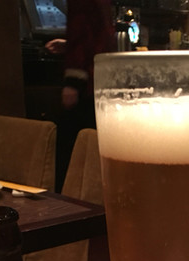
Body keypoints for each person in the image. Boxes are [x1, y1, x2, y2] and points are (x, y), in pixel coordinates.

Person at [46, 0, 115, 191]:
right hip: (101, 78)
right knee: (93, 147)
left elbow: (82, 29)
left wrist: (72, 82)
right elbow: (97, 33)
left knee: (70, 151)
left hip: (86, 83)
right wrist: (69, 46)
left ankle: (69, 201)